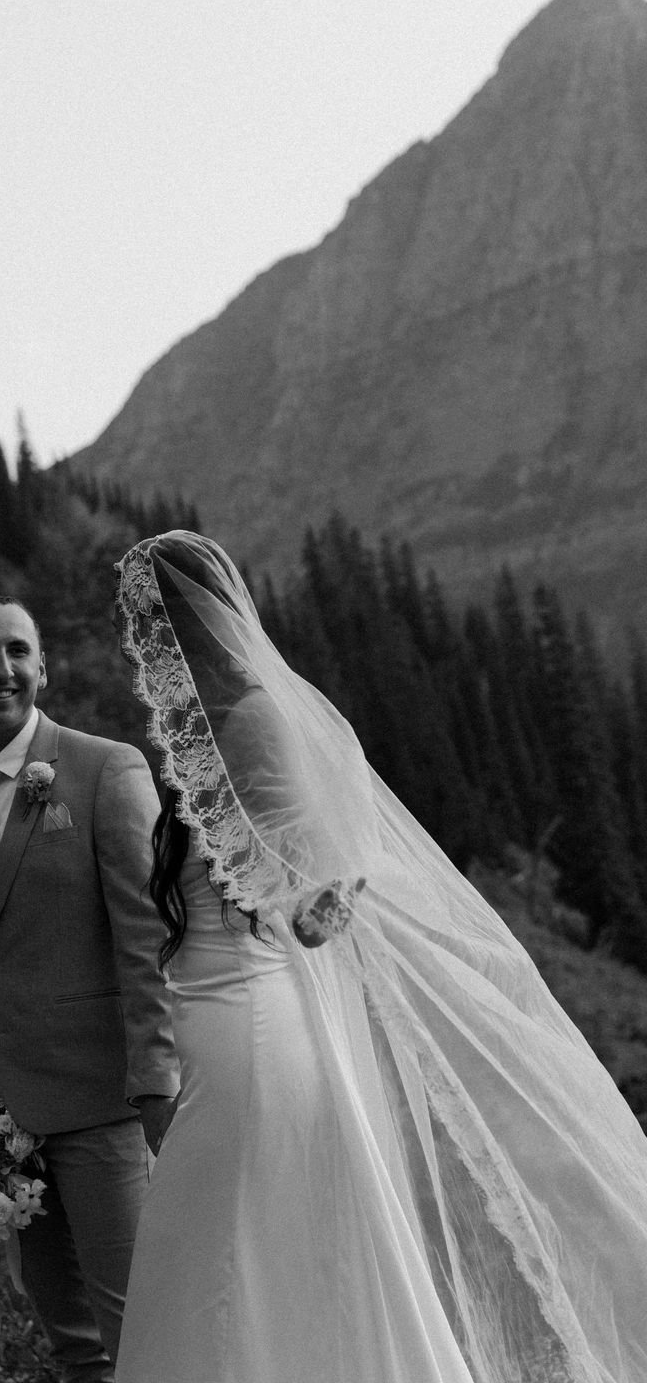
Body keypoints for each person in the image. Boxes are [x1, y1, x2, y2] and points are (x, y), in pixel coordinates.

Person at [112, 530, 647, 1383]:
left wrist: (315, 891)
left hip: (249, 1022)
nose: (142, 640)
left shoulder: (252, 724)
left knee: (215, 1233)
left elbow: (313, 893)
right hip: (223, 1017)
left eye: (151, 618)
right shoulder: (211, 737)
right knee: (247, 1237)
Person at [0, 593, 179, 1383]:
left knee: (142, 1329)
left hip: (103, 1104)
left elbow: (145, 940)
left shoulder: (104, 769)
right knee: (70, 1340)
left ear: (44, 667)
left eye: (19, 651)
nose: (3, 668)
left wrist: (157, 1075)